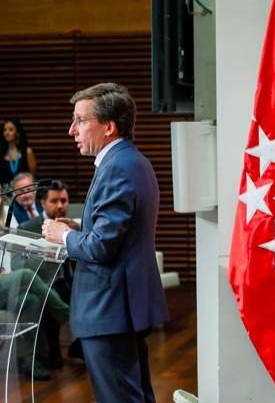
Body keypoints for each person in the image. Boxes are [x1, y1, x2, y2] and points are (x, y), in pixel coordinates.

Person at [42, 83, 169, 403]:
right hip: (120, 306)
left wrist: (65, 236)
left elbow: (101, 247)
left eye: (80, 120)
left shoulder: (117, 168)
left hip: (109, 308)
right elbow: (119, 231)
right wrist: (81, 226)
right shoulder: (129, 161)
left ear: (109, 127)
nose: (72, 130)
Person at [19, 180, 78, 368]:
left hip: (73, 281)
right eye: (54, 201)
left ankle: (83, 347)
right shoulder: (28, 227)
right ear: (42, 203)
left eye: (64, 200)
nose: (61, 206)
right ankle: (52, 355)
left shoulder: (73, 225)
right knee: (49, 298)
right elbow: (18, 265)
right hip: (44, 284)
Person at [0, 119, 37, 186]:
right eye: (4, 130)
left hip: (23, 192)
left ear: (17, 133)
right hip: (4, 192)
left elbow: (32, 177)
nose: (7, 132)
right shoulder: (1, 153)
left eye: (11, 130)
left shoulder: (27, 152)